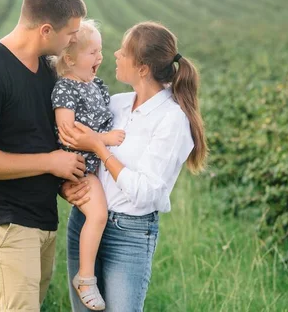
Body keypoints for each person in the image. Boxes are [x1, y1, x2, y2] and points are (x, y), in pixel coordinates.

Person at [0, 0, 89, 312]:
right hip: (5, 221)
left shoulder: (46, 71)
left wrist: (63, 179)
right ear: (46, 30)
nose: (75, 39)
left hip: (40, 219)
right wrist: (49, 163)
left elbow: (37, 140)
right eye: (71, 32)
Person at [59, 21, 208, 312]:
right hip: (85, 220)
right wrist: (68, 187)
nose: (114, 55)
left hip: (129, 235)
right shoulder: (117, 103)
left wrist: (100, 148)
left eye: (123, 52)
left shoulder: (172, 120)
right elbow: (76, 147)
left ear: (142, 68)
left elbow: (146, 193)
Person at [50, 19, 126, 310]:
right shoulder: (67, 89)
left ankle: (89, 273)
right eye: (92, 52)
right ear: (70, 59)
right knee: (97, 215)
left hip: (94, 165)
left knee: (98, 215)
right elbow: (68, 133)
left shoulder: (97, 86)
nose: (100, 57)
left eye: (100, 51)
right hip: (79, 168)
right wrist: (103, 139)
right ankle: (85, 277)